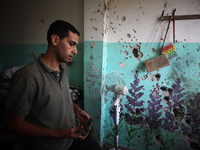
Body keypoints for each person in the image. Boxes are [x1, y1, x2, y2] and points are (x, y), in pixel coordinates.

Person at [5, 20, 101, 150]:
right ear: (55, 40)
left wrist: (76, 110)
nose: (75, 51)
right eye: (71, 44)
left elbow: (62, 94)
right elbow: (13, 124)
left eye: (76, 46)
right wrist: (60, 134)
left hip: (73, 137)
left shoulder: (63, 68)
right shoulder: (27, 77)